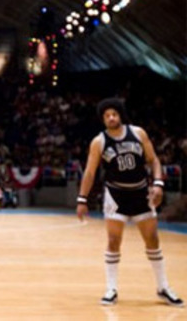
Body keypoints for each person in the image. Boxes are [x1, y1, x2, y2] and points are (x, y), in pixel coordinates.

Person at [77, 97, 183, 307]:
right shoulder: (99, 142)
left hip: (141, 192)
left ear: (120, 115)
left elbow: (153, 160)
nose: (111, 118)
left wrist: (158, 183)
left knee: (152, 240)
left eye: (114, 114)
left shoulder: (138, 133)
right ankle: (111, 289)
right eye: (107, 116)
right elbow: (89, 172)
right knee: (113, 241)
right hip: (116, 195)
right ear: (103, 119)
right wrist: (82, 199)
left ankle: (163, 287)